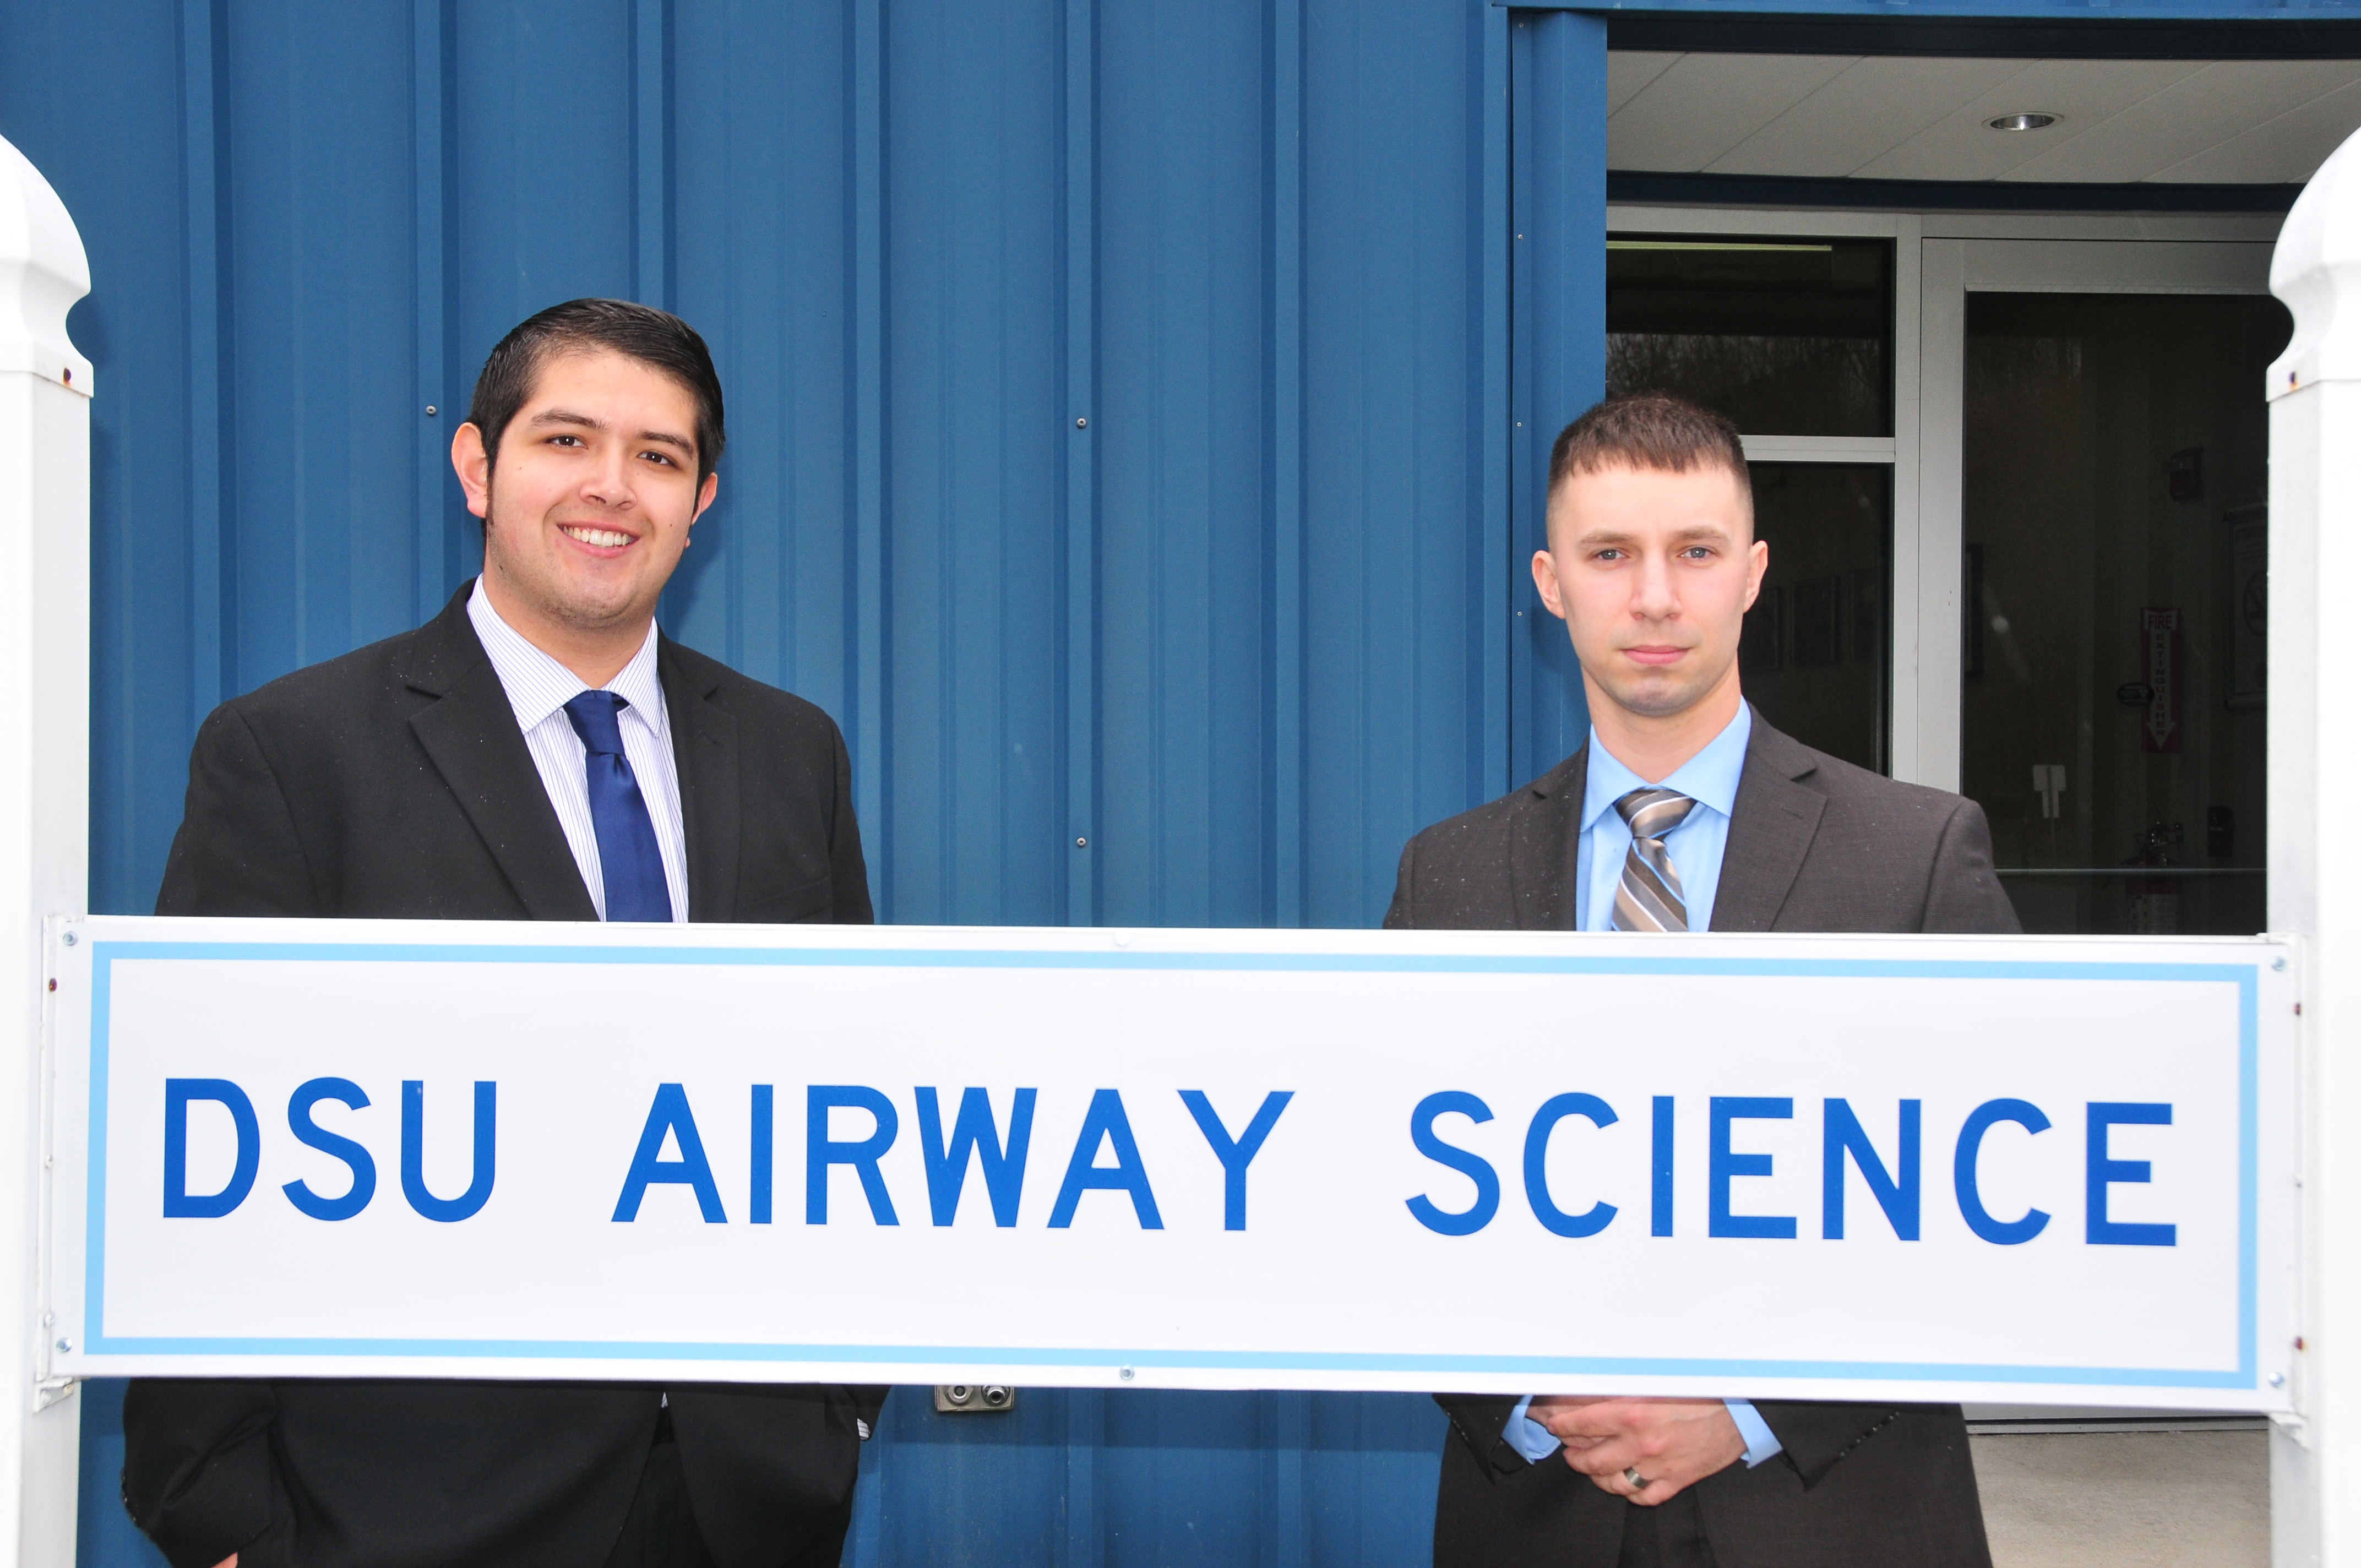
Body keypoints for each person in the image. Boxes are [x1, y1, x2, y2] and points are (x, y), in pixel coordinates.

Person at [123, 299, 882, 1568]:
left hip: (738, 1500)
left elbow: (847, 1093)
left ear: (702, 501)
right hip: (402, 1511)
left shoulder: (789, 750)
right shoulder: (294, 753)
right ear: (477, 466)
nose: (612, 489)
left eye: (659, 455)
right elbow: (197, 1137)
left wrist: (840, 1409)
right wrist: (217, 1515)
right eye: (566, 440)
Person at [1386, 392, 2015, 1568]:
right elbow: (1377, 1182)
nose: (1656, 597)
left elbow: (2004, 1203)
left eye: (1694, 551)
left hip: (1836, 1507)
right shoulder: (1447, 871)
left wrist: (1748, 1411)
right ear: (1548, 579)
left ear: (1753, 573)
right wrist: (1529, 1404)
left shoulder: (1915, 855)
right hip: (1533, 1504)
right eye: (1609, 553)